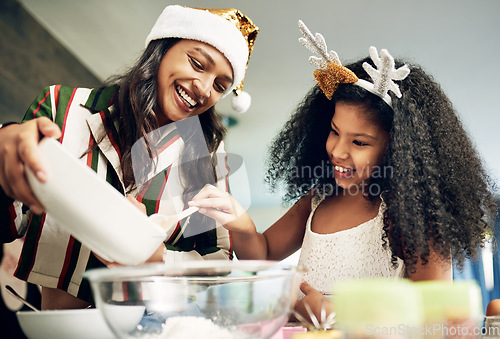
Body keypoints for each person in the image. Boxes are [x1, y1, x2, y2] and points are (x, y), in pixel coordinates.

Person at [188, 20, 498, 324]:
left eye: (360, 142)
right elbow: (264, 253)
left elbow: (439, 319)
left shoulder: (413, 219)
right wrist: (241, 225)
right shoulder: (319, 199)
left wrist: (337, 315)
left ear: (400, 150)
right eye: (335, 132)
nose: (338, 151)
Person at [0, 5, 258, 310]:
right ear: (162, 48)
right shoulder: (61, 107)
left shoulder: (209, 159)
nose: (203, 89)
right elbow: (10, 222)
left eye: (220, 86)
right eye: (198, 63)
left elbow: (217, 269)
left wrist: (158, 259)